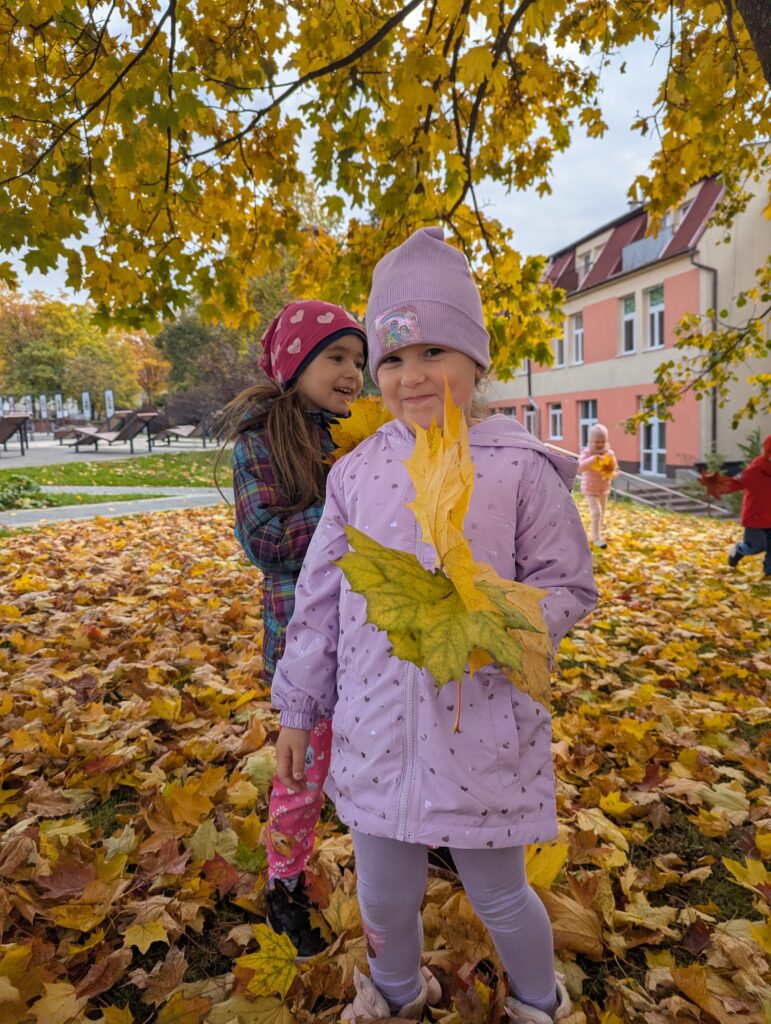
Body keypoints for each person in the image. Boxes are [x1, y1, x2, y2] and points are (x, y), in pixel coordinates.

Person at [271, 228, 598, 1022]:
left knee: (499, 892)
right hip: (377, 731)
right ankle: (395, 996)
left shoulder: (519, 468)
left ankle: (535, 1002)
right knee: (382, 895)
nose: (410, 376)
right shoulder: (354, 473)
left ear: (475, 362)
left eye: (433, 353)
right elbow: (317, 602)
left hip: (482, 733)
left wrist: (497, 623)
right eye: (391, 360)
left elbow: (566, 584)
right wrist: (298, 705)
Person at [220, 299, 367, 957]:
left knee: (372, 751)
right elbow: (265, 539)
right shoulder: (260, 441)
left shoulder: (338, 439)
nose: (352, 372)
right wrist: (342, 510)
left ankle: (415, 840)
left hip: (363, 639)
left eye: (359, 360)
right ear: (295, 363)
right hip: (300, 646)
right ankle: (284, 884)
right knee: (300, 775)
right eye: (337, 356)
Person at [701, 434, 771, 578]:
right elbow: (735, 483)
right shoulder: (754, 471)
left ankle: (768, 573)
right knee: (756, 546)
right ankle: (738, 550)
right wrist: (716, 485)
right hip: (756, 519)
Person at [577, 423, 619, 548]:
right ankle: (596, 539)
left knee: (602, 514)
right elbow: (579, 467)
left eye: (602, 441)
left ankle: (597, 533)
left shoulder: (610, 453)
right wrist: (592, 460)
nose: (600, 444)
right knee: (596, 512)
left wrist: (612, 473)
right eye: (597, 442)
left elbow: (614, 468)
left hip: (604, 488)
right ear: (591, 441)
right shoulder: (587, 453)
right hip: (590, 488)